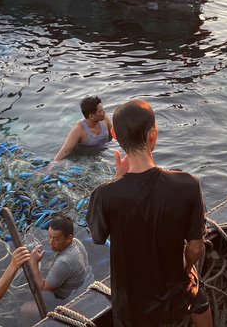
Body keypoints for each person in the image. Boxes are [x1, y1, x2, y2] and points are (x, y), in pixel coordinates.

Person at [86, 100, 213, 327]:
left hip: (130, 305)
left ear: (114, 135)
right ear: (153, 135)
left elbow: (97, 236)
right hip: (175, 293)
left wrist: (117, 180)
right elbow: (196, 247)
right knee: (197, 296)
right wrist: (184, 267)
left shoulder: (104, 196)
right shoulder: (187, 185)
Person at [28, 215, 93, 300]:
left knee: (25, 309)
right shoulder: (76, 241)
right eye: (50, 237)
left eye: (56, 239)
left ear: (69, 238)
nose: (51, 242)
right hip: (87, 284)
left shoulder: (63, 262)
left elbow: (44, 289)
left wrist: (33, 263)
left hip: (75, 298)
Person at [54, 96, 113, 162]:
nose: (104, 112)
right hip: (84, 158)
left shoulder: (105, 119)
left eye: (103, 109)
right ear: (91, 116)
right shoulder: (79, 130)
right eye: (100, 111)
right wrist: (54, 164)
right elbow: (66, 150)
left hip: (103, 154)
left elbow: (115, 134)